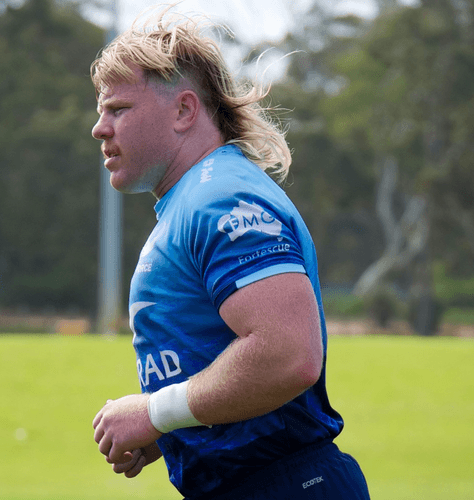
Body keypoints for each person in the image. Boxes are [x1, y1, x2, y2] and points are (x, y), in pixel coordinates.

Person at [90, 10, 370, 500]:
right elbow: (223, 353)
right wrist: (175, 426)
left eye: (117, 108)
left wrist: (155, 412)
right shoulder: (196, 198)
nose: (99, 128)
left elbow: (288, 355)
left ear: (183, 111)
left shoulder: (221, 199)